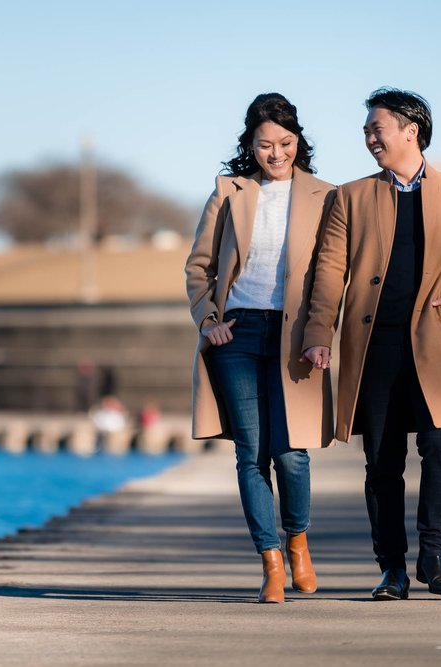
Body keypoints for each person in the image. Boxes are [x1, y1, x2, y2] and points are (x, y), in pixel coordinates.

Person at [302, 88, 441, 600]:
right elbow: (328, 272)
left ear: (410, 130)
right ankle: (391, 566)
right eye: (367, 130)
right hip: (375, 348)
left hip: (436, 344)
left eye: (377, 128)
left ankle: (434, 558)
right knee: (383, 462)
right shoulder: (349, 197)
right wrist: (318, 334)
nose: (369, 137)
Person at [185, 92, 336, 603]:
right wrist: (209, 319)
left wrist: (321, 334)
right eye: (265, 144)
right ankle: (270, 562)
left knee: (290, 453)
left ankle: (298, 543)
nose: (276, 153)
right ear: (250, 145)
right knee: (251, 454)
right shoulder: (229, 192)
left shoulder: (326, 196)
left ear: (298, 141)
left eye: (285, 143)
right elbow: (198, 267)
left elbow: (332, 277)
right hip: (238, 333)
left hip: (294, 336)